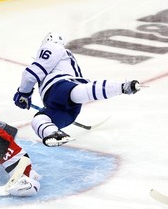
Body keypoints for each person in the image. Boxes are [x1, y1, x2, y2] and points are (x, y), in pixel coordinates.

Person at [13, 32, 141, 147]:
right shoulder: (67, 57)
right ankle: (54, 133)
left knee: (75, 93)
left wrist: (23, 93)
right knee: (40, 119)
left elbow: (30, 75)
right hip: (68, 109)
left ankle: (121, 87)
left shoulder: (52, 47)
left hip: (59, 89)